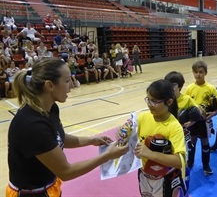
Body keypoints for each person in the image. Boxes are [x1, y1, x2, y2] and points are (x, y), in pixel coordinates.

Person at [6, 58, 129, 197]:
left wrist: (91, 140)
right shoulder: (33, 126)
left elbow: (58, 138)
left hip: (49, 186)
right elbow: (66, 172)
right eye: (67, 81)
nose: (72, 85)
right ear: (50, 85)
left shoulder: (50, 108)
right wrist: (107, 156)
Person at [118, 79, 187, 197]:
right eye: (148, 99)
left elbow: (179, 162)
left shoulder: (174, 127)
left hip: (165, 178)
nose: (149, 104)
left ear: (169, 102)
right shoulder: (143, 118)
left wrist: (149, 153)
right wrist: (122, 134)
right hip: (144, 174)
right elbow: (128, 140)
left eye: (154, 101)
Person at [164, 71, 206, 190]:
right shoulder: (165, 100)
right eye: (168, 85)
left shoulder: (186, 99)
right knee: (168, 157)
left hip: (182, 134)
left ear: (180, 87)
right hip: (169, 134)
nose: (170, 88)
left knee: (182, 158)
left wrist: (191, 122)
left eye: (173, 85)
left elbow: (197, 112)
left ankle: (184, 182)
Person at [184, 60, 217, 175]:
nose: (198, 75)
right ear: (193, 73)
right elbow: (186, 104)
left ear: (205, 72)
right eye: (196, 72)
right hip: (193, 121)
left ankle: (206, 164)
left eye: (201, 72)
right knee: (192, 141)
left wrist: (215, 112)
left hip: (204, 121)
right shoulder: (190, 88)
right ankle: (190, 162)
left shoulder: (210, 88)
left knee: (205, 141)